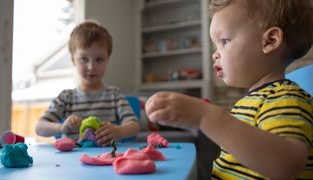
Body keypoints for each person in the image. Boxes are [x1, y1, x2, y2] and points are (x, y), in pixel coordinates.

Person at [145, 0, 313, 179]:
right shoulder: (253, 100)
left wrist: (206, 116)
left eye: (224, 41)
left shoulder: (284, 98)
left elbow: (287, 165)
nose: (215, 53)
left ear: (270, 41)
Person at [36, 21, 140, 147]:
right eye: (84, 59)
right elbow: (40, 127)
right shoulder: (66, 97)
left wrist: (118, 131)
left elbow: (134, 126)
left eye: (99, 60)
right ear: (73, 59)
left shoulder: (114, 95)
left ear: (108, 60)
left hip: (107, 160)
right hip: (72, 162)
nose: (91, 67)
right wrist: (61, 127)